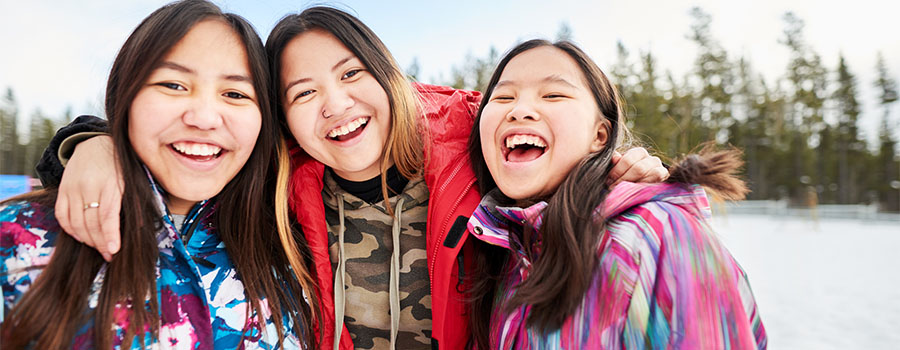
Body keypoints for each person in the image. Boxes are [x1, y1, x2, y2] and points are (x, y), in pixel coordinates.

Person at [39, 7, 668, 349]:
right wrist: (92, 143)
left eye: (349, 75)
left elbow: (552, 128)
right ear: (282, 117)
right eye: (302, 92)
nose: (334, 105)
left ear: (387, 75)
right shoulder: (283, 181)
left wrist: (616, 170)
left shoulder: (473, 141)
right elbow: (193, 143)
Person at [0, 1, 317, 348]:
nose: (205, 118)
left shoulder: (295, 249)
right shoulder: (16, 238)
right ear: (126, 95)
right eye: (173, 85)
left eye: (235, 93)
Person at [465, 39, 766, 349]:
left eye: (553, 94)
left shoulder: (656, 234)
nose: (519, 110)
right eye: (503, 97)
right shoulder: (497, 248)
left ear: (599, 135)